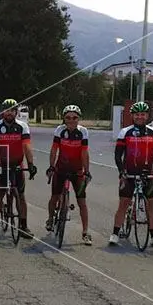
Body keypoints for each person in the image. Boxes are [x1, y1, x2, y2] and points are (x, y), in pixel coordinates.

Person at [110, 101, 153, 248]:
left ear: (147, 115)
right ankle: (115, 234)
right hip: (129, 175)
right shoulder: (125, 132)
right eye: (137, 114)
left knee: (150, 206)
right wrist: (122, 171)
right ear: (132, 116)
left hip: (147, 174)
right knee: (123, 204)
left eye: (143, 114)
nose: (140, 117)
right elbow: (118, 155)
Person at [0, 98, 37, 238]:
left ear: (16, 112)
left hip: (17, 164)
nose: (9, 113)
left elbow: (27, 146)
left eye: (12, 110)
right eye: (7, 110)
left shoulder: (23, 126)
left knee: (21, 196)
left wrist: (31, 164)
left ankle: (24, 226)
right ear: (3, 112)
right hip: (1, 164)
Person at [45, 105, 92, 245]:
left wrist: (87, 170)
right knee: (54, 197)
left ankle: (85, 232)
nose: (71, 120)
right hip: (61, 169)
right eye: (68, 118)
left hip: (77, 170)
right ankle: (51, 219)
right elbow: (54, 150)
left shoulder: (83, 132)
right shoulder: (60, 130)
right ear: (64, 119)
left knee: (82, 202)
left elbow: (84, 153)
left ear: (79, 119)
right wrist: (51, 166)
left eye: (75, 118)